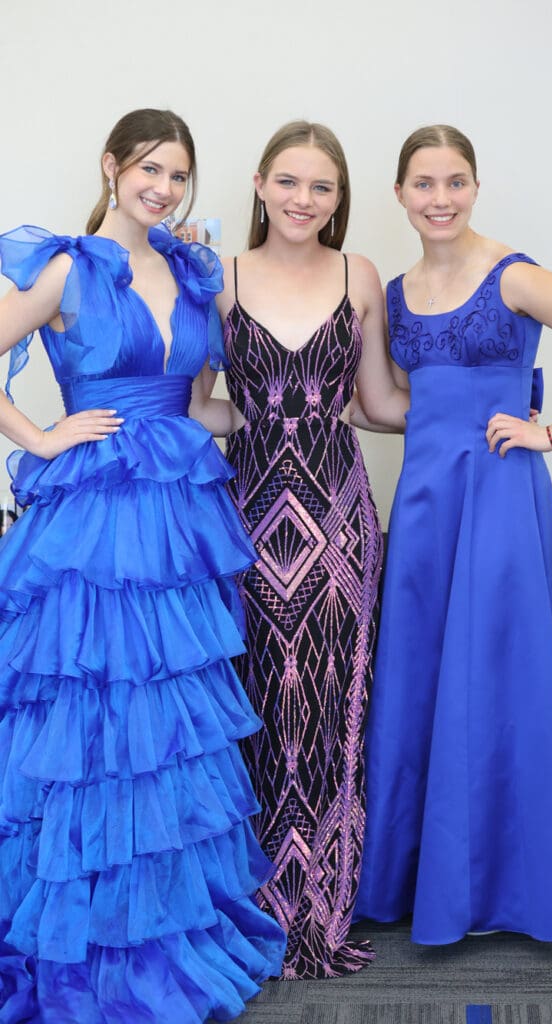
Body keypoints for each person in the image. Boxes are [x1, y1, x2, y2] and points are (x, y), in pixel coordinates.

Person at [0, 108, 286, 1023]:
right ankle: (84, 934)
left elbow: (198, 408)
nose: (163, 188)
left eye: (178, 174)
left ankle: (159, 922)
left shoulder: (193, 271)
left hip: (176, 523)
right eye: (150, 169)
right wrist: (41, 435)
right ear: (112, 167)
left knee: (164, 722)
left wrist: (299, 416)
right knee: (97, 714)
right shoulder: (68, 267)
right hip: (94, 529)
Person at [188, 120, 409, 978]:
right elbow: (195, 405)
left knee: (327, 707)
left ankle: (321, 905)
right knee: (250, 705)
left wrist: (478, 408)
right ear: (258, 184)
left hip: (340, 526)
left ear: (339, 198)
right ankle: (250, 907)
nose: (302, 199)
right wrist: (257, 416)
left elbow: (377, 402)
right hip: (243, 519)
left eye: (321, 186)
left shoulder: (359, 275)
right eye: (288, 181)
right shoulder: (218, 277)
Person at [354, 123, 552, 945]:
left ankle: (511, 885)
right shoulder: (397, 294)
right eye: (423, 183)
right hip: (424, 505)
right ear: (400, 193)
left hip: (500, 496)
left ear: (476, 187)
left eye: (454, 182)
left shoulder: (514, 274)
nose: (439, 198)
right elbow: (388, 404)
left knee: (499, 672)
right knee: (420, 677)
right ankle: (426, 880)